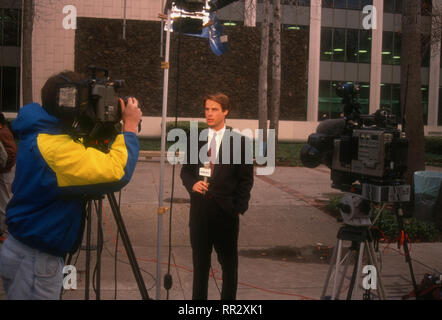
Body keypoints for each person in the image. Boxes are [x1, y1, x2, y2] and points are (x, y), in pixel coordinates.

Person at [0, 71, 142, 300]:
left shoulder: (42, 131)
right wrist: (130, 128)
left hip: (25, 252)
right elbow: (117, 172)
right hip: (36, 261)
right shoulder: (55, 149)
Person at [180, 92, 254, 300]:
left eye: (214, 109)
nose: (209, 114)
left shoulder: (240, 143)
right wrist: (192, 184)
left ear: (225, 112)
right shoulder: (196, 140)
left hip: (226, 215)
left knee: (229, 266)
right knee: (200, 266)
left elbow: (246, 180)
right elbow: (186, 171)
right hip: (200, 214)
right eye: (207, 109)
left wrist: (238, 208)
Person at [0, 112, 17, 239]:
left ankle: (5, 232)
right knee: (8, 199)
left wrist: (5, 167)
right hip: (9, 171)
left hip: (5, 172)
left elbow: (7, 154)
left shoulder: (1, 133)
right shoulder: (6, 131)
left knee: (4, 203)